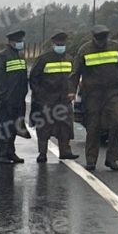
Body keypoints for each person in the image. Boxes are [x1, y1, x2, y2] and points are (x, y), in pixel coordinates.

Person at [69, 25, 118, 171]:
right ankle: (91, 160)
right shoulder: (84, 50)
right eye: (99, 39)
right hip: (93, 95)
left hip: (113, 93)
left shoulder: (115, 47)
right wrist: (72, 91)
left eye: (103, 39)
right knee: (93, 127)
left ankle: (112, 159)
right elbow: (75, 72)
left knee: (117, 124)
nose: (101, 42)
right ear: (94, 38)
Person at [28, 30, 80, 163]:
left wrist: (72, 91)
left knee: (65, 126)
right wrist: (39, 95)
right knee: (44, 127)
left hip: (64, 99)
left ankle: (65, 151)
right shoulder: (44, 59)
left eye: (62, 44)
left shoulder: (69, 58)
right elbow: (33, 78)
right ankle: (42, 153)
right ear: (53, 44)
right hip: (47, 99)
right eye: (58, 44)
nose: (60, 46)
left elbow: (73, 77)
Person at [0, 30, 31, 164]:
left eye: (21, 41)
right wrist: (3, 98)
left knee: (14, 127)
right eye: (18, 41)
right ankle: (0, 154)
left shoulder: (20, 56)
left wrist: (23, 93)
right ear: (11, 42)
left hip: (19, 99)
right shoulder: (2, 56)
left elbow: (23, 77)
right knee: (3, 127)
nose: (20, 43)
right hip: (7, 99)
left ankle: (10, 152)